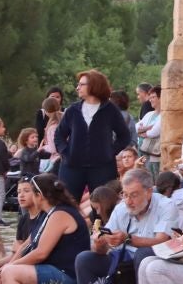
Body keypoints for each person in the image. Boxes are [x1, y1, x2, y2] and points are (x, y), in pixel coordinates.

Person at [70, 168, 183, 284]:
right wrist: (100, 242)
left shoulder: (166, 205)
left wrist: (128, 239)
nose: (128, 201)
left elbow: (162, 242)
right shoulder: (121, 208)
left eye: (134, 195)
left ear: (149, 192)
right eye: (125, 194)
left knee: (144, 253)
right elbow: (102, 247)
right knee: (85, 259)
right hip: (123, 263)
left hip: (153, 263)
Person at [52, 70, 135, 198]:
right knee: (67, 205)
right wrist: (66, 153)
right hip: (72, 167)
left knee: (103, 207)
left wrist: (109, 152)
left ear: (94, 86)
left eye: (81, 84)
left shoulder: (110, 110)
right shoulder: (73, 110)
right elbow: (59, 136)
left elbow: (124, 136)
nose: (77, 88)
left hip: (102, 169)